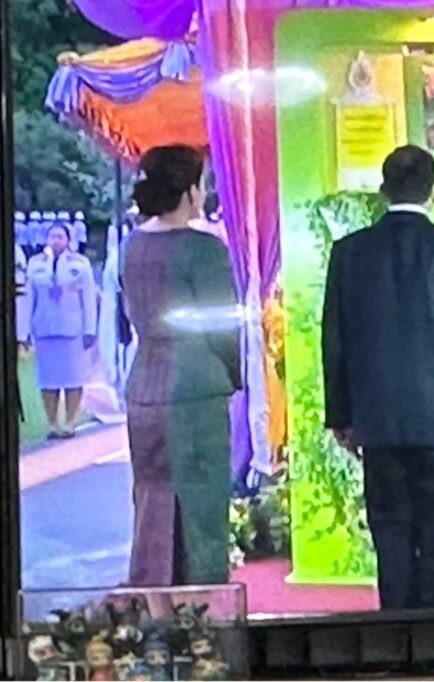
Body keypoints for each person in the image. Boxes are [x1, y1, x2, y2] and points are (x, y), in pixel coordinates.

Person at [322, 145, 434, 610]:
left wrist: (340, 416)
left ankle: (395, 631)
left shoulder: (348, 253)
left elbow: (335, 341)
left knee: (391, 533)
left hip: (379, 421)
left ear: (383, 191)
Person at [120, 145, 241, 586]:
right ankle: (203, 612)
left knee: (151, 504)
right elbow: (223, 327)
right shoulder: (203, 248)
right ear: (189, 191)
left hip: (143, 388)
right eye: (202, 183)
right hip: (195, 389)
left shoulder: (132, 246)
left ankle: (154, 608)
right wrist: (234, 376)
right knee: (201, 510)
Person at [25, 224, 97, 439]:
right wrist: (25, 331)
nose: (56, 240)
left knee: (73, 378)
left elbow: (89, 299)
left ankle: (70, 421)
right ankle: (53, 423)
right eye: (52, 236)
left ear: (68, 240)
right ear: (46, 239)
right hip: (45, 329)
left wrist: (90, 329)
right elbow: (29, 299)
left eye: (60, 236)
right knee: (48, 380)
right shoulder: (35, 264)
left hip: (72, 329)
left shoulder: (80, 264)